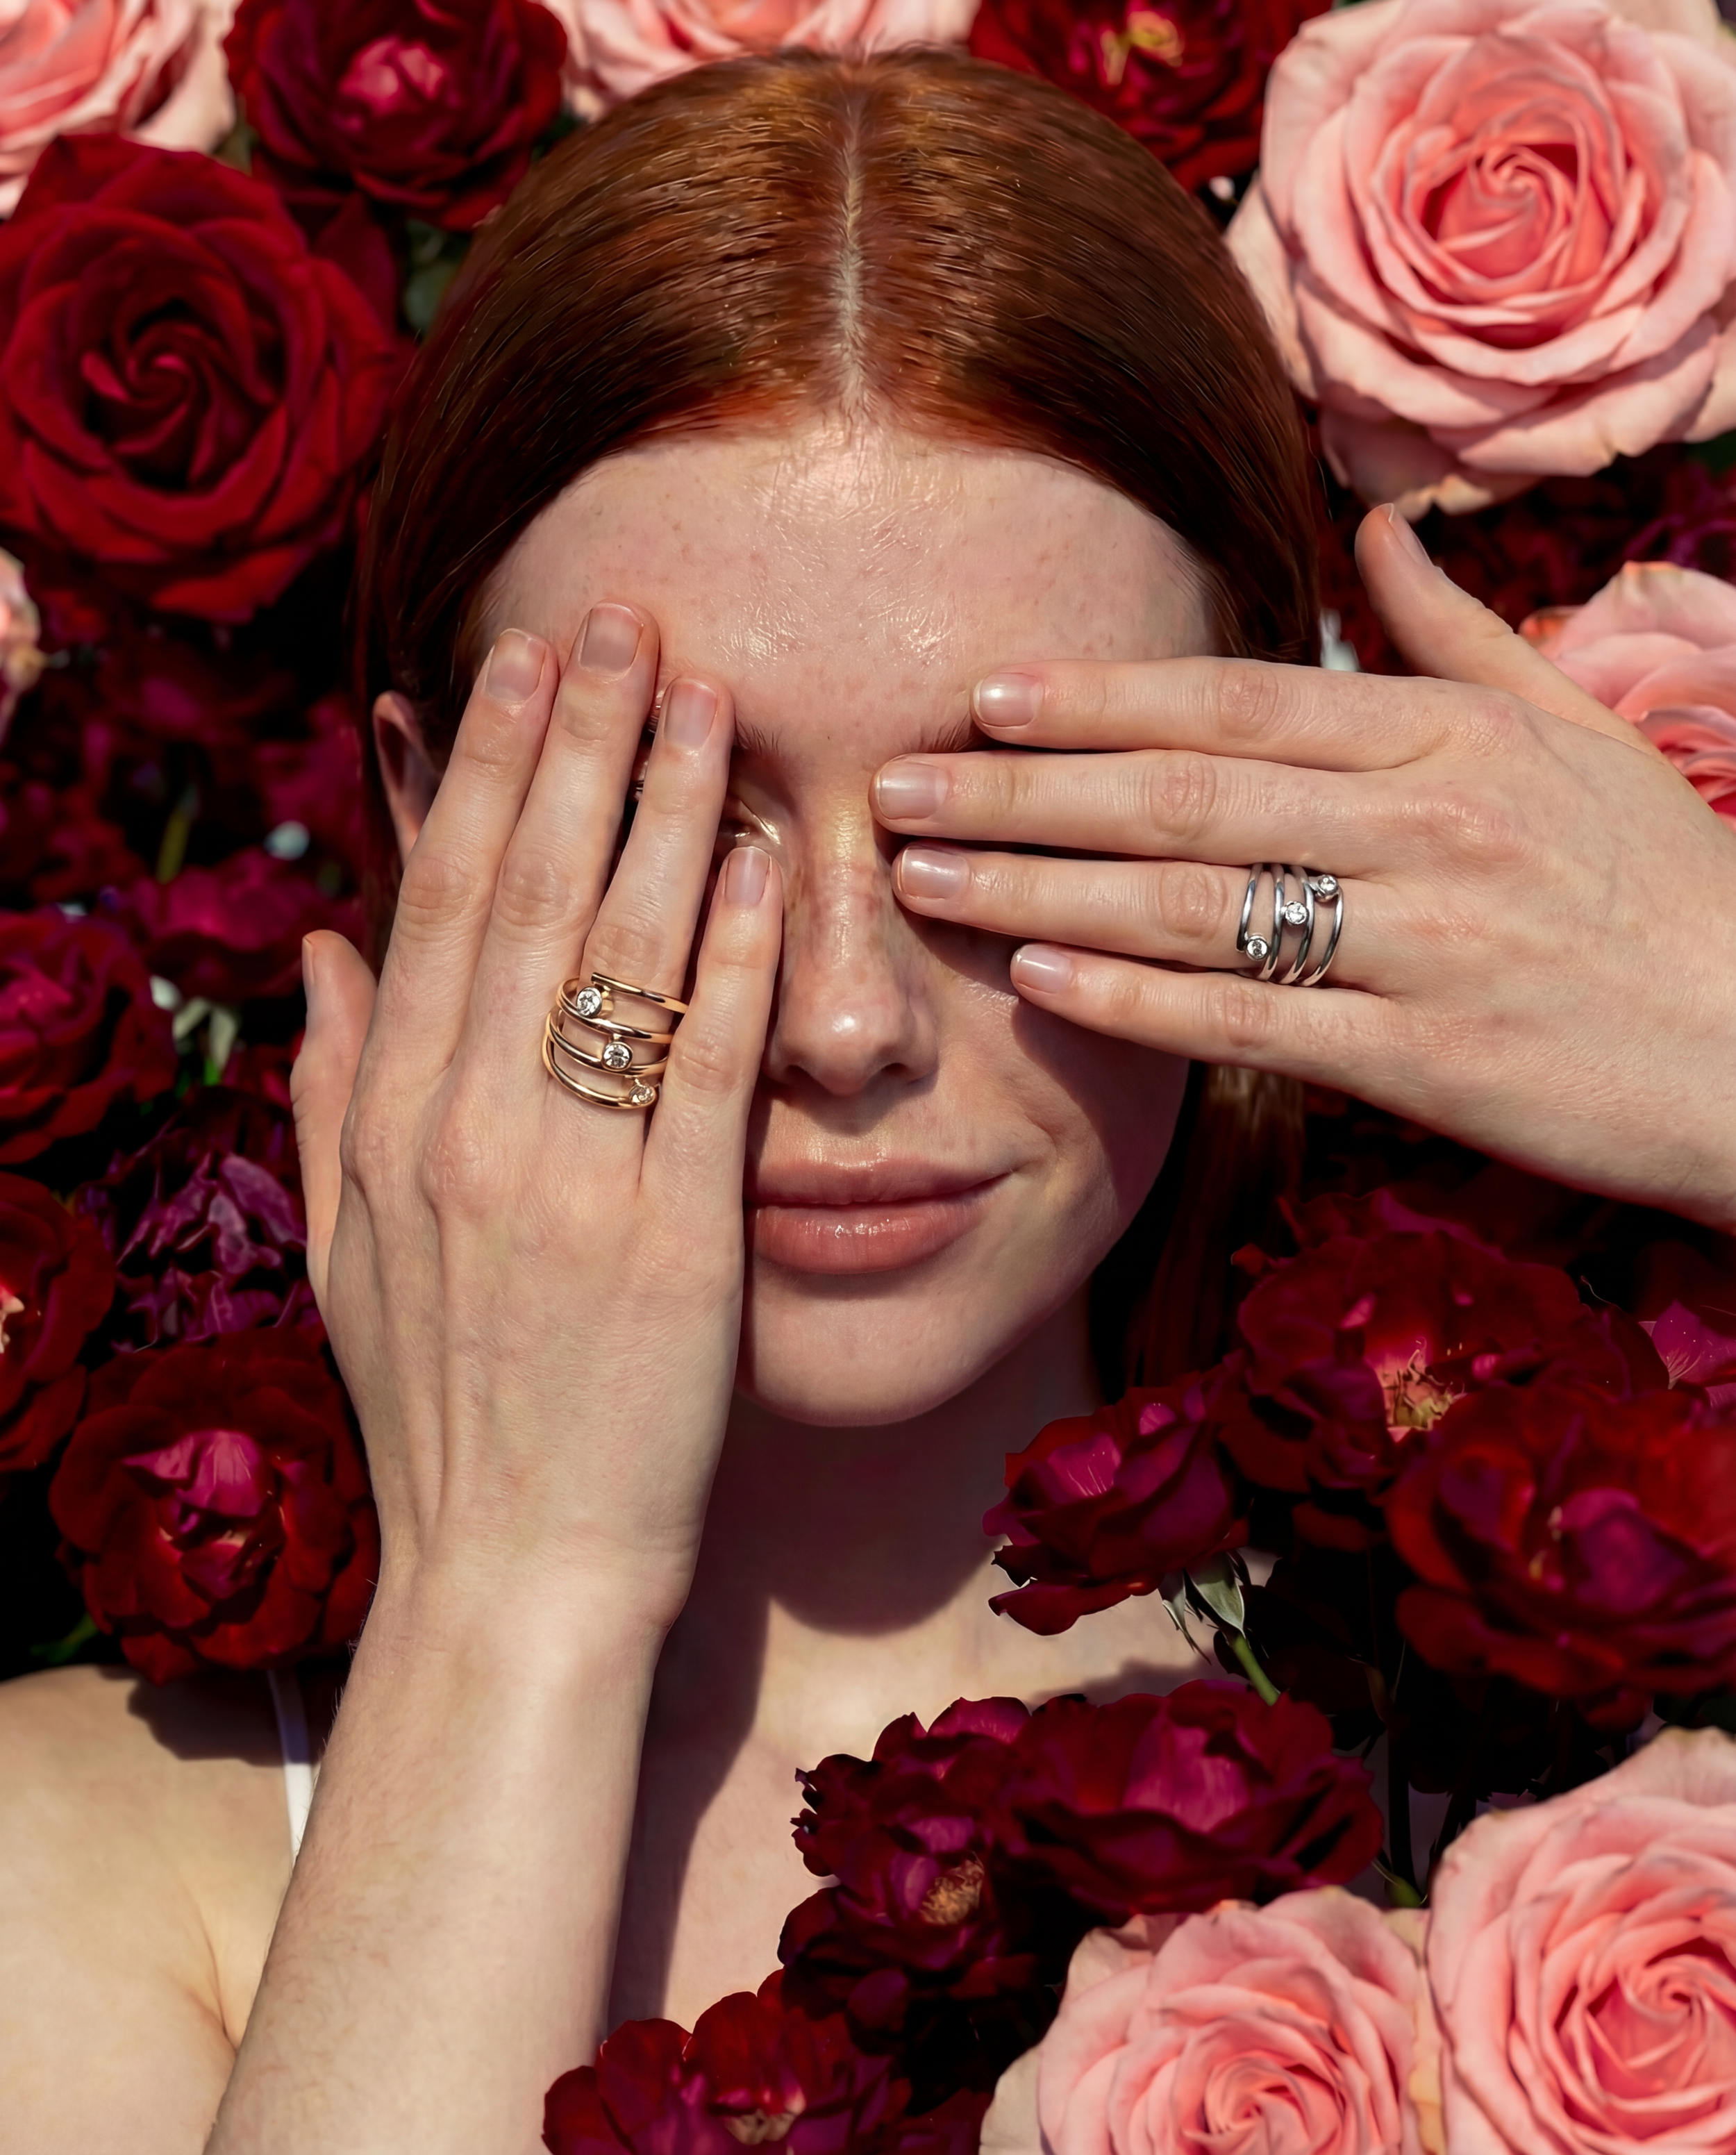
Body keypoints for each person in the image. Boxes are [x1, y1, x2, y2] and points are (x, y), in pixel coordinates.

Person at [1, 47, 1733, 2155]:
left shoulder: (1621, 1839)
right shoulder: (70, 1865)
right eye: (668, 821)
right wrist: (513, 1595)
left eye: (1001, 825)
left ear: (1276, 792)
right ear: (417, 822)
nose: (840, 1024)